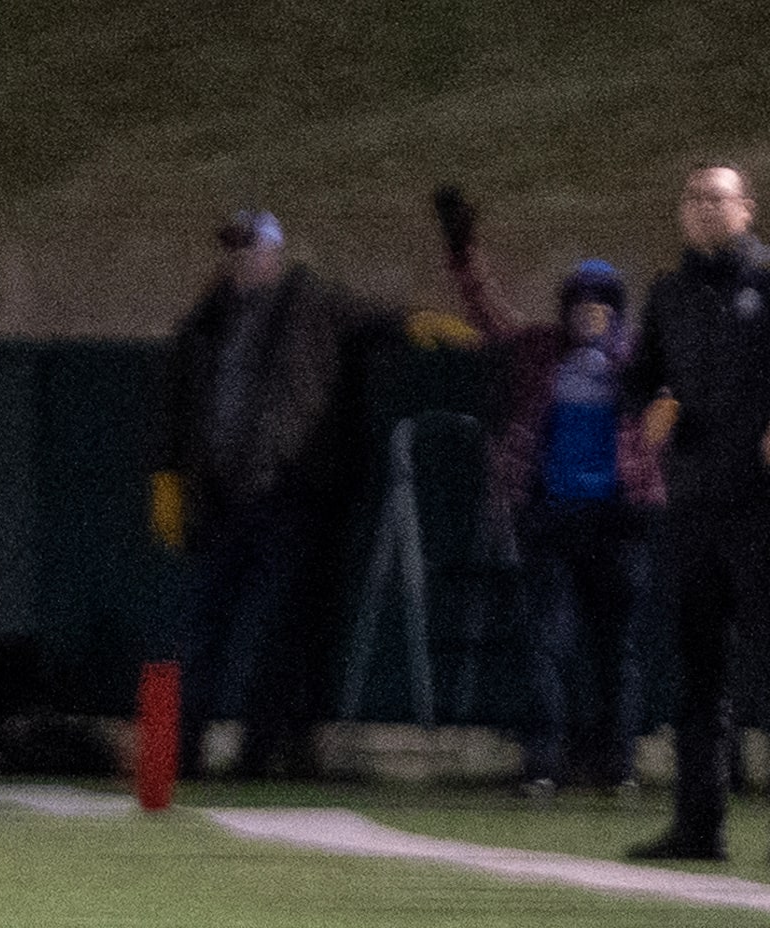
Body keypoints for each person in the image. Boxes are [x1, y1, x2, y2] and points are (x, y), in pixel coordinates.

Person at [157, 211, 421, 778]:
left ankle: (262, 752)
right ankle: (183, 753)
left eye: (252, 249)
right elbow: (181, 400)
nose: (241, 261)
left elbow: (374, 321)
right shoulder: (209, 319)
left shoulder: (312, 303)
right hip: (222, 495)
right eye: (234, 250)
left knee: (273, 629)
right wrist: (170, 473)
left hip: (285, 491)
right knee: (202, 627)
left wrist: (416, 323)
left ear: (275, 253)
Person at [432, 186, 659, 793]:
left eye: (601, 303)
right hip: (553, 516)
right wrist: (463, 253)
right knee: (547, 644)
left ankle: (620, 768)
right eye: (581, 302)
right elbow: (487, 312)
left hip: (618, 519)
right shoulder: (540, 351)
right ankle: (543, 764)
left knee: (620, 650)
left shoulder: (636, 360)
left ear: (616, 309)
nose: (590, 311)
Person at [621, 163, 770, 863]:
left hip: (760, 506)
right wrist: (652, 408)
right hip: (693, 505)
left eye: (719, 198)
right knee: (698, 671)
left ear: (746, 208)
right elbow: (640, 379)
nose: (706, 209)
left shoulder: (764, 281)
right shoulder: (672, 292)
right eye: (694, 199)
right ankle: (697, 825)